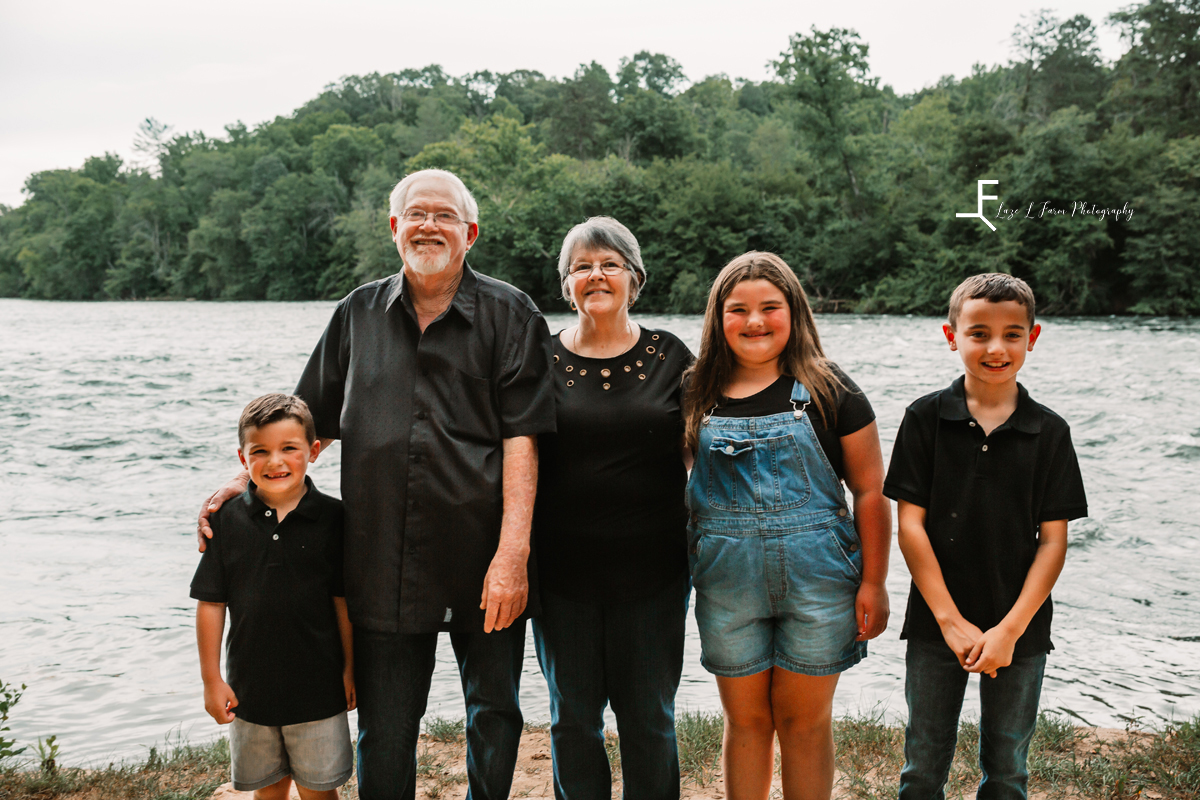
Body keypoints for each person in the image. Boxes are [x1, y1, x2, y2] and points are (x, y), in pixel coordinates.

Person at [197, 168, 557, 800]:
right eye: (415, 214)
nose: (428, 225)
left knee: (495, 712)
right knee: (386, 726)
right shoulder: (357, 312)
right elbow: (306, 424)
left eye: (444, 215)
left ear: (469, 232)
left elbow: (522, 440)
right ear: (394, 229)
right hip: (379, 556)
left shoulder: (511, 313)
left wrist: (513, 554)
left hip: (482, 554)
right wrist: (238, 481)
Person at [681, 252, 891, 800]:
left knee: (805, 722)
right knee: (747, 722)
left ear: (794, 312)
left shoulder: (830, 389)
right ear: (716, 317)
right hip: (727, 584)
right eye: (738, 310)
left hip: (820, 581)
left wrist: (874, 581)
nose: (755, 322)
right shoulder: (693, 394)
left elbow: (871, 490)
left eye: (770, 307)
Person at [885, 273, 1087, 800]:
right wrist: (950, 621)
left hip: (1020, 629)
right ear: (952, 336)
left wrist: (1010, 629)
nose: (996, 348)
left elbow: (1053, 541)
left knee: (1008, 769)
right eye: (979, 333)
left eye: (1012, 334)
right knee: (923, 764)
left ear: (1032, 337)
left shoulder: (1050, 431)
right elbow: (910, 525)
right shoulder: (924, 418)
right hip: (936, 625)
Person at [532, 217, 692, 800]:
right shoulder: (537, 360)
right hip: (562, 573)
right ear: (566, 284)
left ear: (634, 276)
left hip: (655, 570)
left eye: (609, 264)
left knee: (649, 717)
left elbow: (710, 448)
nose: (595, 275)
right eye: (581, 266)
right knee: (571, 717)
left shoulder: (671, 356)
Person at [192, 393, 355, 800]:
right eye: (260, 451)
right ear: (243, 459)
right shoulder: (225, 522)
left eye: (289, 449)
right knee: (268, 791)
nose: (275, 461)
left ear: (314, 451)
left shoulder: (335, 519)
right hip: (251, 691)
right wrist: (212, 679)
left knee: (319, 792)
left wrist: (352, 668)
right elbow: (211, 604)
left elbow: (343, 603)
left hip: (320, 691)